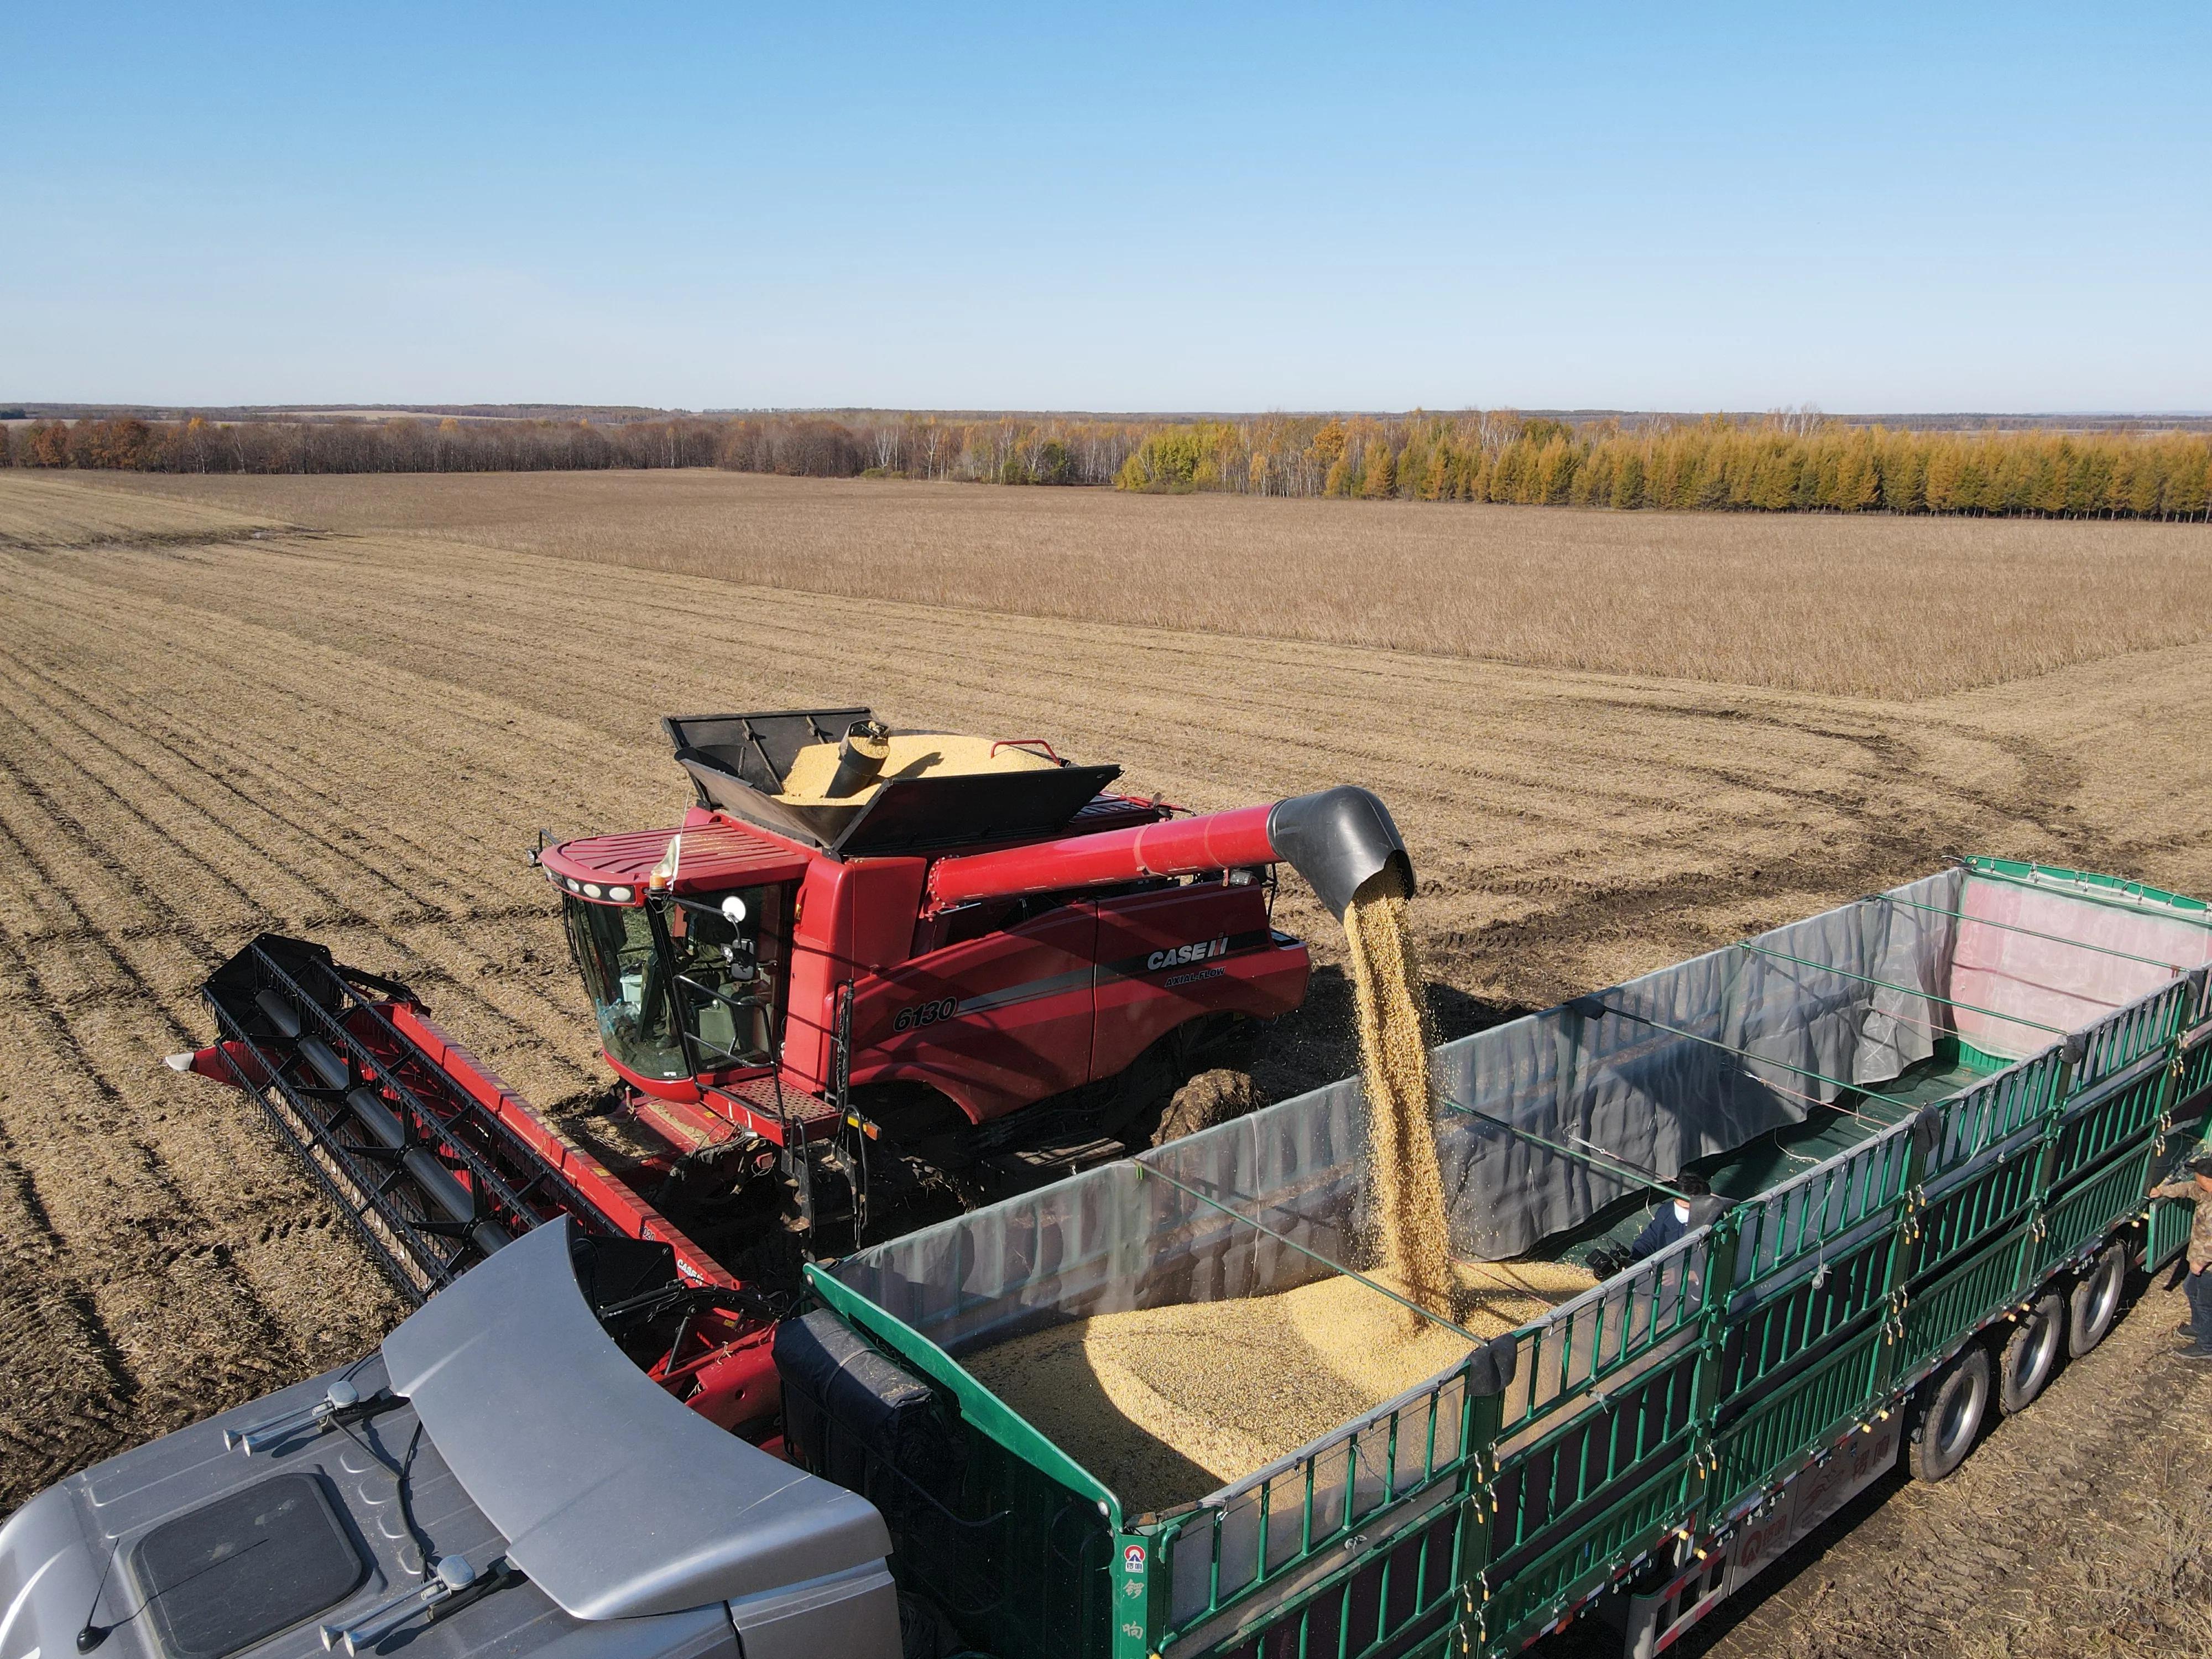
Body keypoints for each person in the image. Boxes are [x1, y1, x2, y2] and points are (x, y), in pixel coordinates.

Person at [2148, 1152, 2212, 1360]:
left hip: (2208, 1266)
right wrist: (2162, 1191)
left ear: (2207, 1179)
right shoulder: (2205, 1192)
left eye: (2198, 1175)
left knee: (2206, 1304)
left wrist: (2200, 1262)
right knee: (2190, 1288)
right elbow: (2188, 1189)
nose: (2195, 1178)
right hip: (2200, 1262)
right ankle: (2198, 1327)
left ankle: (2207, 1346)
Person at [1627, 1172, 1713, 1262]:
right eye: (1679, 1206)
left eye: (1688, 1209)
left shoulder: (1711, 1222)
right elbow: (1650, 1238)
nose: (1682, 1211)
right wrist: (1635, 1258)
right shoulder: (1666, 1212)